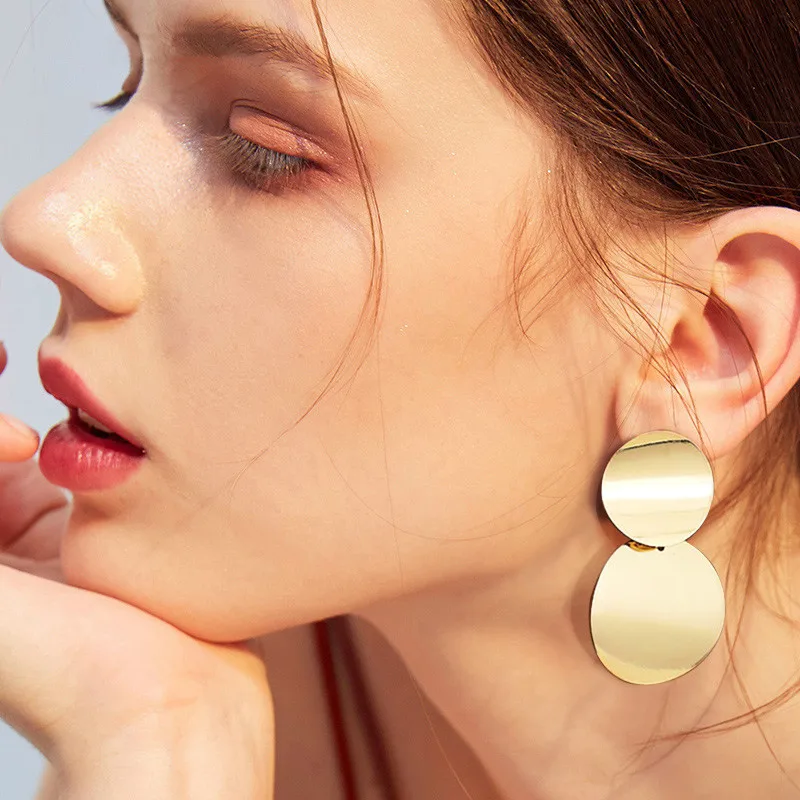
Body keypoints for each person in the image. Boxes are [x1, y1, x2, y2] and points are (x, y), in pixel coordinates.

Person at [0, 0, 799, 797]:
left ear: (702, 339)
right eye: (130, 80)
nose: (41, 221)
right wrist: (158, 744)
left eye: (265, 147)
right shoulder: (216, 657)